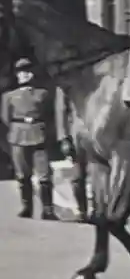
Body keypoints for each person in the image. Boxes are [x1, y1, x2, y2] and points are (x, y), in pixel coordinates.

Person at [1, 57, 55, 220]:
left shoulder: (43, 94)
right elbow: (5, 119)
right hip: (18, 136)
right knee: (22, 175)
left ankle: (48, 210)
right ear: (17, 76)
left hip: (39, 134)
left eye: (27, 72)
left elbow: (50, 116)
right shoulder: (8, 96)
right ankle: (27, 207)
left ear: (32, 74)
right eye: (21, 72)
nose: (24, 75)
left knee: (44, 175)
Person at [54, 85, 89, 222]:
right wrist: (63, 138)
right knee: (78, 176)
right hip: (77, 135)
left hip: (100, 134)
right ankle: (82, 211)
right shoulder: (66, 83)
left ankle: (100, 211)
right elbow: (61, 110)